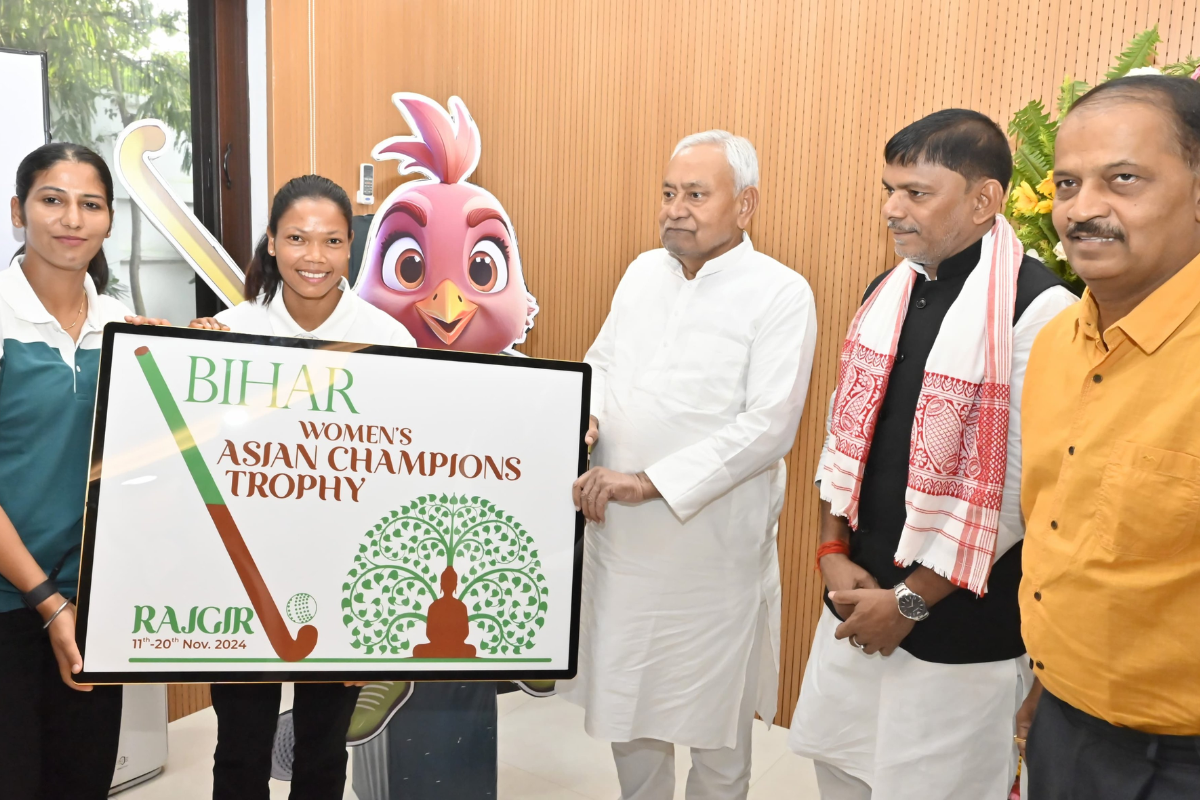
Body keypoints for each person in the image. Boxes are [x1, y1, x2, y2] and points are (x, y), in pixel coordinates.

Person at [787, 109, 1077, 800]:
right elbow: (843, 438)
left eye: (916, 192)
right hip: (857, 602)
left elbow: (1019, 497)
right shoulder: (886, 293)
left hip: (958, 631)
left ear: (984, 199)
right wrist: (833, 554)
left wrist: (909, 603)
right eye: (889, 189)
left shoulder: (1042, 313)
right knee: (841, 776)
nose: (892, 209)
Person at [561, 130, 818, 800]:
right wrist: (582, 414)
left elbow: (769, 427)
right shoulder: (643, 271)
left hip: (712, 559)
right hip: (624, 548)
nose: (676, 208)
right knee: (628, 710)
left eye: (696, 194)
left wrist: (648, 482)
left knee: (717, 732)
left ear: (745, 204)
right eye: (670, 193)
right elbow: (604, 359)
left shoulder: (781, 293)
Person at [189, 174, 416, 800]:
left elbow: (402, 470)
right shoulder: (226, 334)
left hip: (341, 572)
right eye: (296, 238)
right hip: (243, 568)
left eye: (331, 241)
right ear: (270, 242)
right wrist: (187, 356)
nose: (314, 257)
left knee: (321, 748)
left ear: (352, 250)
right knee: (239, 745)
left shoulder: (389, 340)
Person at [1017, 75, 1200, 799]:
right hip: (1068, 725)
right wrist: (1047, 684)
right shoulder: (1058, 339)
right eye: (1066, 183)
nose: (1083, 209)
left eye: (1123, 179)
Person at [0, 142, 168, 800]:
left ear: (108, 220)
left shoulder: (124, 328)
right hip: (15, 603)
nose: (72, 219)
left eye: (90, 204)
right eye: (52, 199)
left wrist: (188, 360)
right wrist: (47, 604)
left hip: (93, 601)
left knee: (82, 780)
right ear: (18, 211)